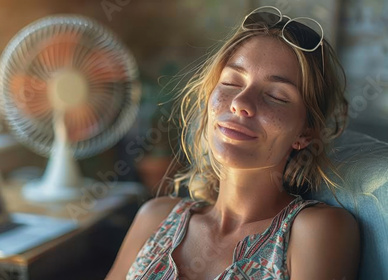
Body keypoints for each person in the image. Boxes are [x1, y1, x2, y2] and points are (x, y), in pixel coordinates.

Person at [106, 6, 360, 280]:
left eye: (276, 96)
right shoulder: (154, 218)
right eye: (231, 82)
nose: (240, 103)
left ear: (305, 132)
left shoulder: (314, 231)